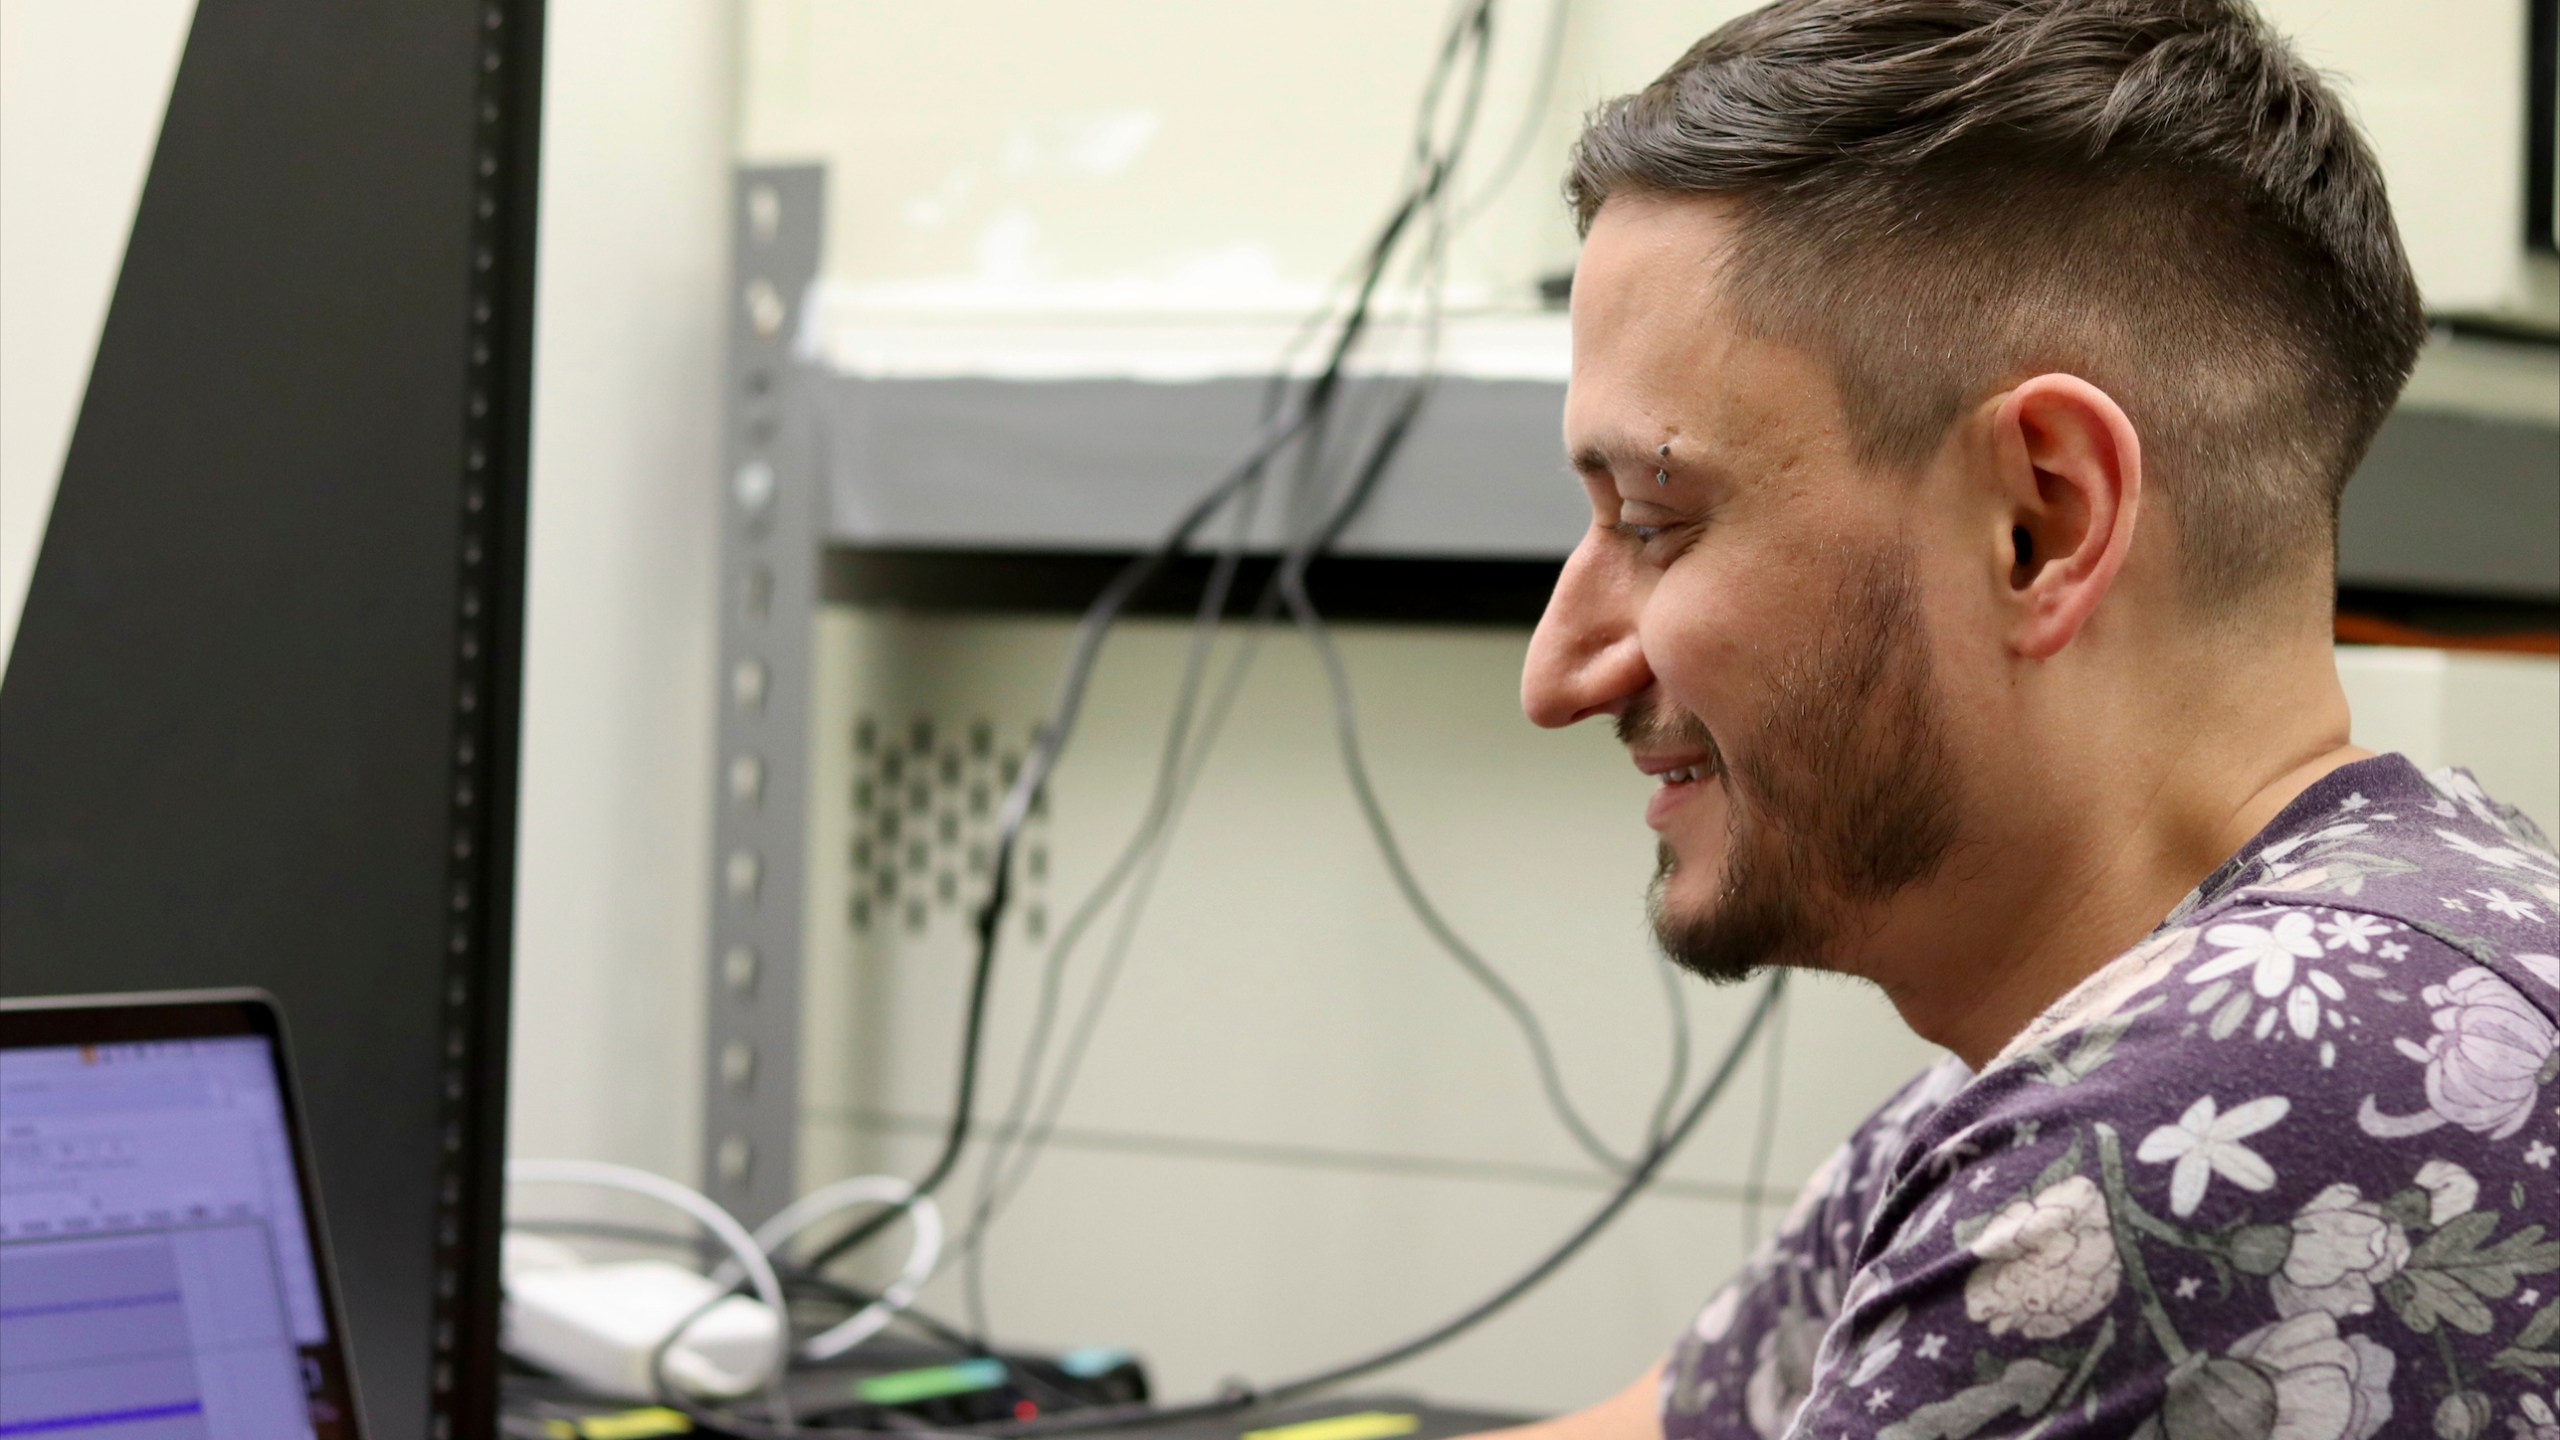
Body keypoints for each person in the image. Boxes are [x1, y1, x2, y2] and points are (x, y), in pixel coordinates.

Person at [1504, 1, 2560, 1437]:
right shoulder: (2182, 1028)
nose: (1559, 671)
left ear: (2042, 523)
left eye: (1654, 519)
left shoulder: (2232, 1108)